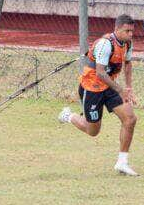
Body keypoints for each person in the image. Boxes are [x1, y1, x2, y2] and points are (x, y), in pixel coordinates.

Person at [58, 14, 138, 176]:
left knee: (130, 119)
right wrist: (120, 90)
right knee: (93, 131)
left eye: (132, 31)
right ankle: (69, 116)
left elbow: (128, 64)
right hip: (92, 88)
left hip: (109, 87)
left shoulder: (127, 44)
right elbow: (100, 73)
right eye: (126, 31)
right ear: (116, 29)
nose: (130, 34)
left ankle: (122, 162)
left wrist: (128, 88)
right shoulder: (106, 44)